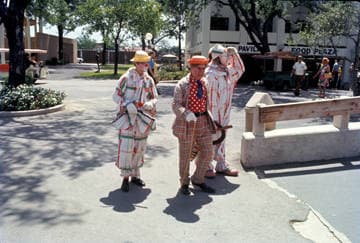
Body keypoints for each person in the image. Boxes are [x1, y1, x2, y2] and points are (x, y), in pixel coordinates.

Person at [112, 50, 158, 192]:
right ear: (136, 63)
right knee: (126, 147)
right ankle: (125, 178)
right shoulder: (126, 78)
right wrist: (127, 104)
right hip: (127, 117)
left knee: (140, 147)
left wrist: (151, 103)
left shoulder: (149, 80)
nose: (146, 65)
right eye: (143, 63)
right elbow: (115, 96)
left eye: (147, 63)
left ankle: (135, 176)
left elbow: (154, 97)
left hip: (142, 118)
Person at [172, 55, 217, 195]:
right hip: (187, 124)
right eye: (198, 68)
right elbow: (175, 104)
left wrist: (209, 116)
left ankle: (198, 179)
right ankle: (184, 183)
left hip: (203, 121)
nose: (202, 71)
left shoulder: (205, 82)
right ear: (191, 68)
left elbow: (206, 102)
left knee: (209, 152)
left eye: (204, 68)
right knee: (185, 155)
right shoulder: (182, 84)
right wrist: (185, 113)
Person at [204, 44, 245, 178]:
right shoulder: (208, 73)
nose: (228, 58)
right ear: (217, 56)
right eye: (225, 55)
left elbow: (240, 69)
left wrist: (235, 54)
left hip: (225, 111)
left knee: (222, 137)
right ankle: (207, 166)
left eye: (228, 56)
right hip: (211, 111)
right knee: (210, 137)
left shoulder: (227, 72)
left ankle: (221, 164)